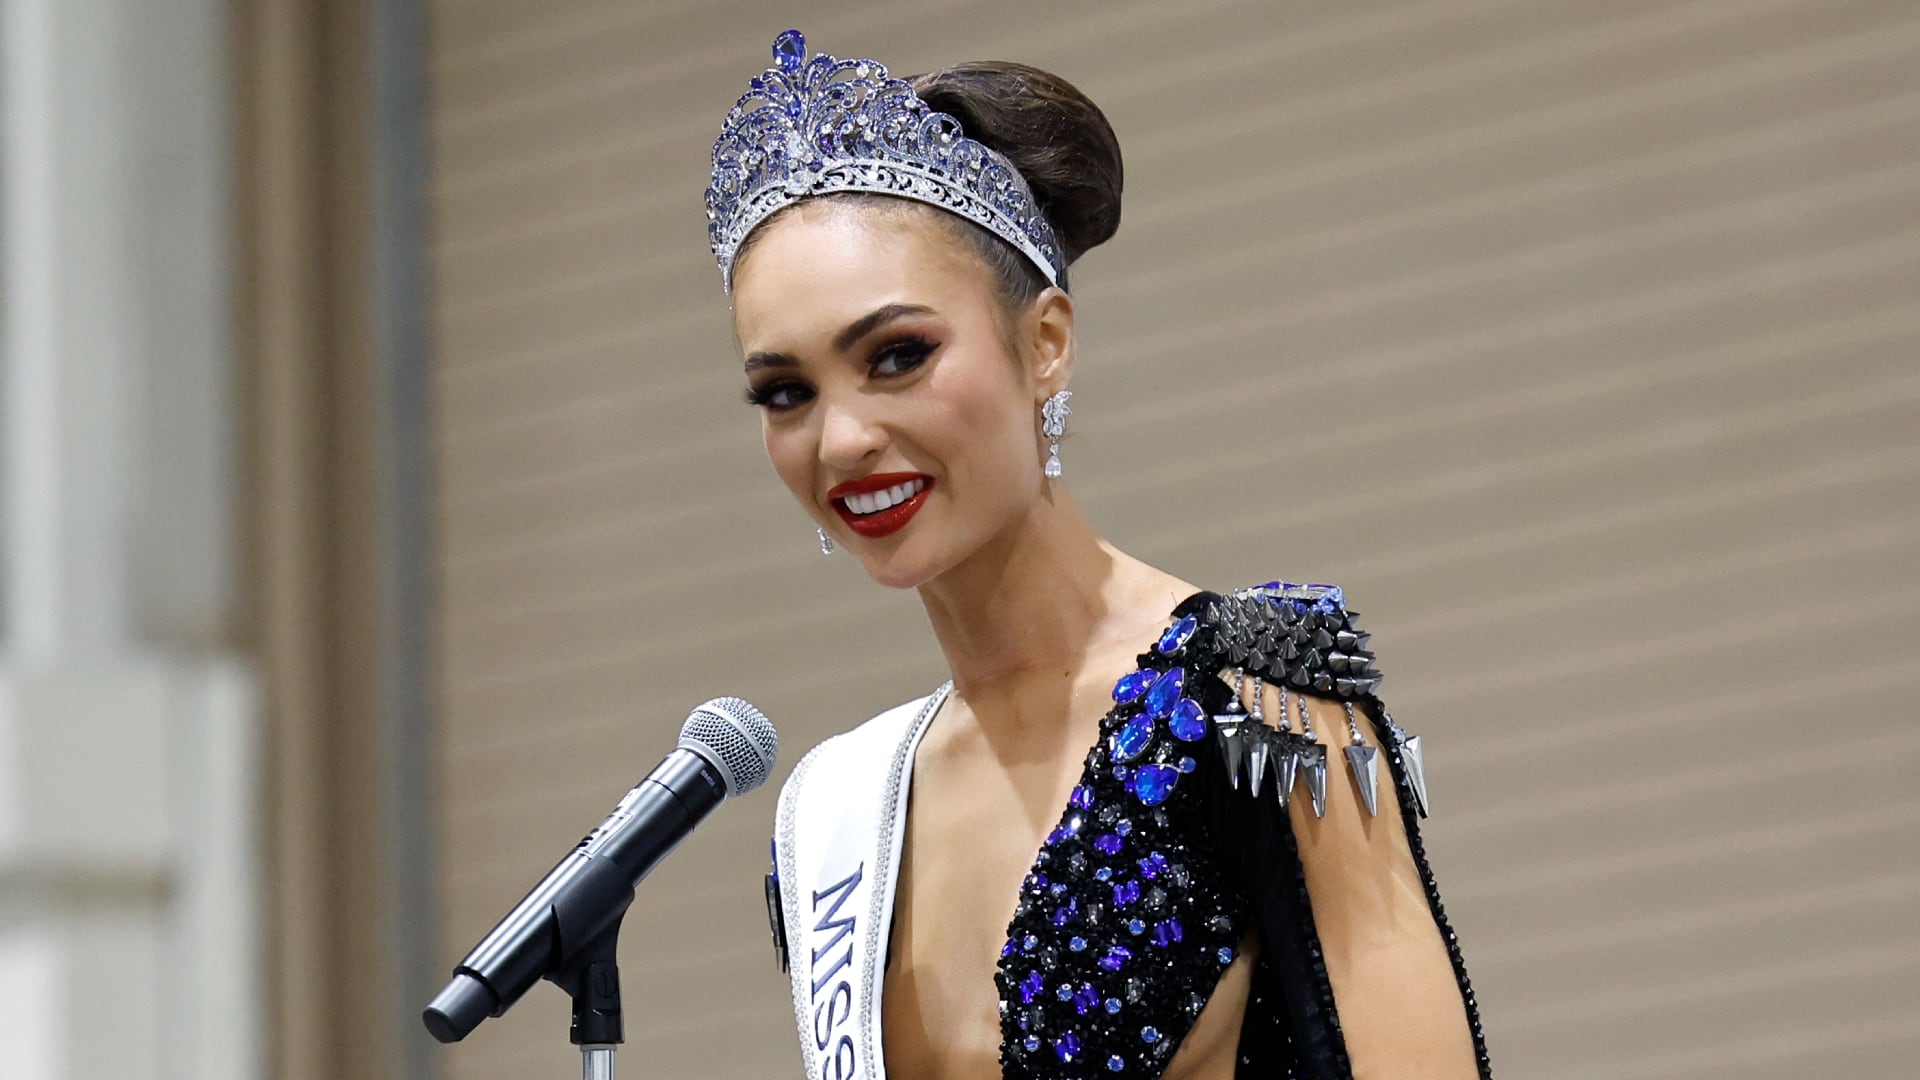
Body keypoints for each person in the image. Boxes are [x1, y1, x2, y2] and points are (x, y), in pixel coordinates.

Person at [706, 30, 1492, 1080]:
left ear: (1046, 344)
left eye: (898, 356)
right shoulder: (837, 822)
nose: (840, 439)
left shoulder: (1253, 693)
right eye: (786, 393)